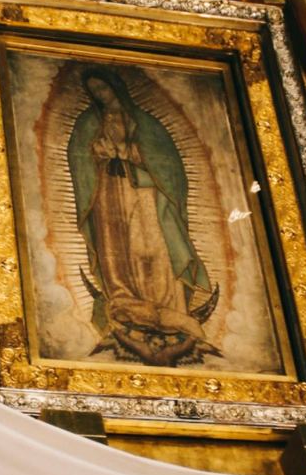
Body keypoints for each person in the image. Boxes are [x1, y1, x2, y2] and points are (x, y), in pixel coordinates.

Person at [67, 66, 219, 365]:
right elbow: (79, 158)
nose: (100, 95)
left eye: (103, 88)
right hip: (108, 193)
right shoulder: (89, 122)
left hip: (145, 192)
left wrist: (133, 153)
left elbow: (168, 165)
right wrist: (96, 152)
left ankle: (169, 306)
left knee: (153, 247)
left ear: (116, 86)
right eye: (95, 91)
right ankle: (126, 299)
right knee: (116, 249)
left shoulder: (146, 123)